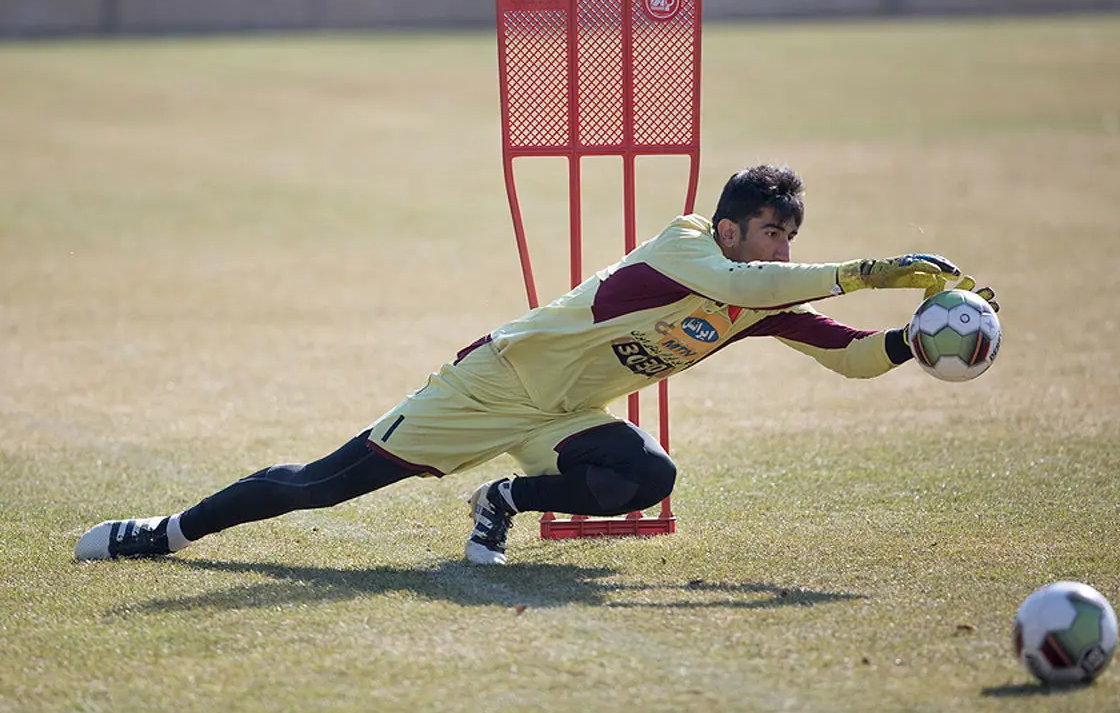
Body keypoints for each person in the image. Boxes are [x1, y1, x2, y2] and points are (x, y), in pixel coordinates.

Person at [74, 164, 998, 566]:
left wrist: (916, 342)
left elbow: (846, 358)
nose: (778, 246)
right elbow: (766, 285)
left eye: (789, 237)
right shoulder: (683, 250)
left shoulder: (752, 303)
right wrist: (875, 271)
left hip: (564, 413)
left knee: (648, 475)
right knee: (319, 486)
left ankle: (505, 502)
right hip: (489, 389)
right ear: (727, 227)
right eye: (769, 231)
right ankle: (164, 532)